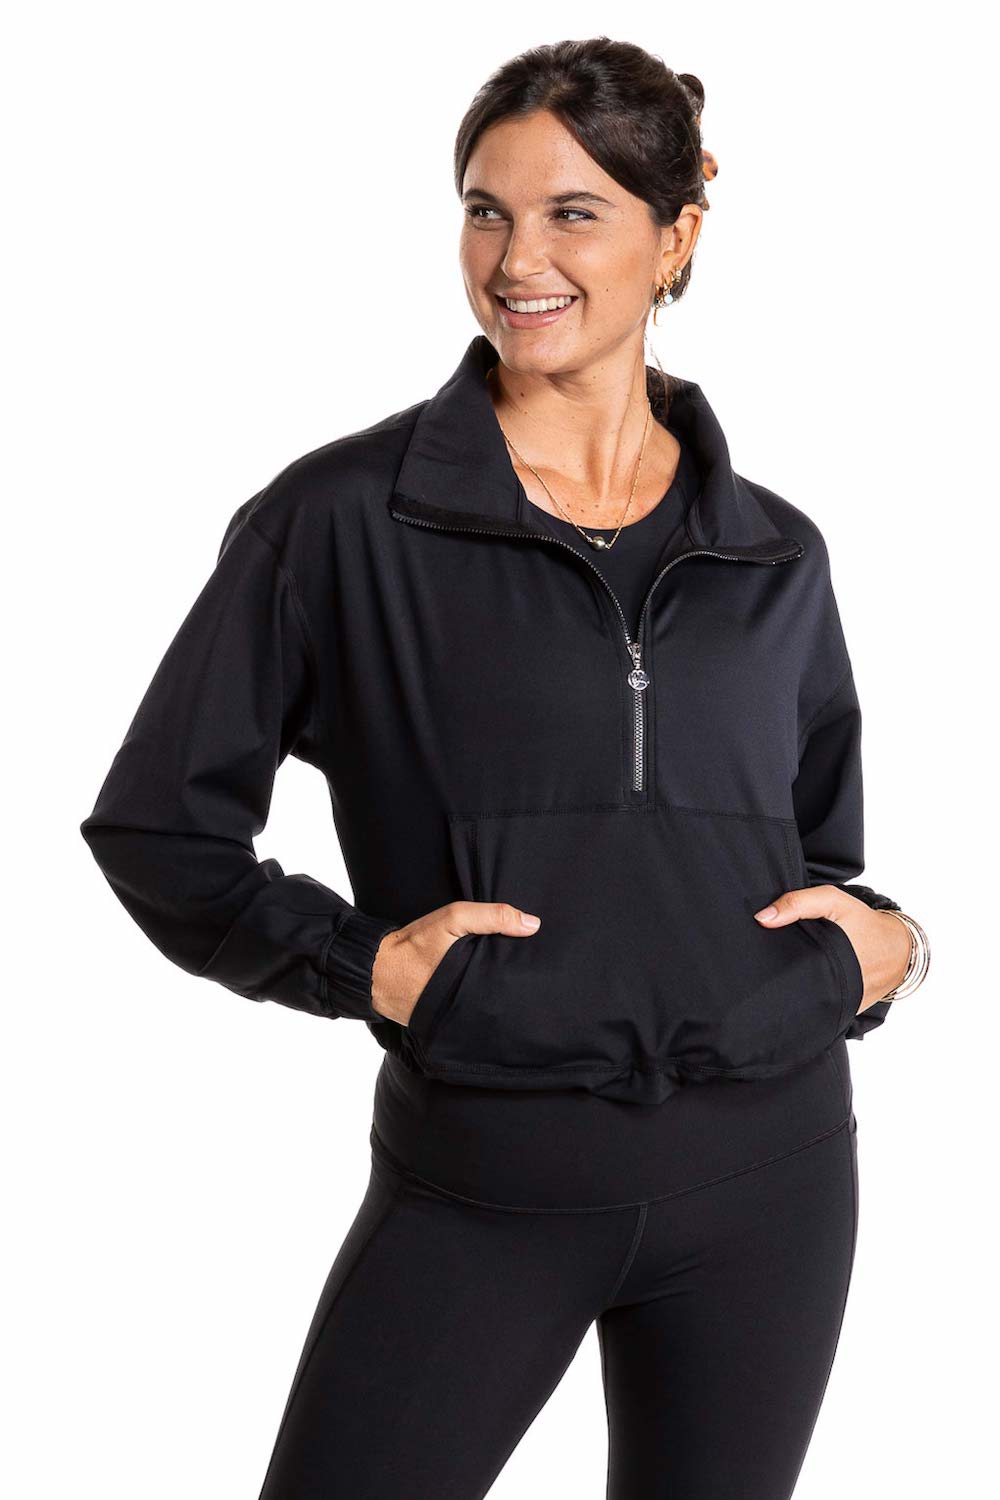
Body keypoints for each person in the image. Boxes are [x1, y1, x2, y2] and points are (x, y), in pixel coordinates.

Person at [79, 39, 930, 1500]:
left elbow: (812, 855)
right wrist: (362, 966)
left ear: (677, 237)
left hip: (775, 1181)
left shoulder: (773, 551)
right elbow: (159, 827)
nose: (517, 259)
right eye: (487, 211)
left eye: (572, 214)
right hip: (485, 1182)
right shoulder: (345, 522)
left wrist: (891, 948)